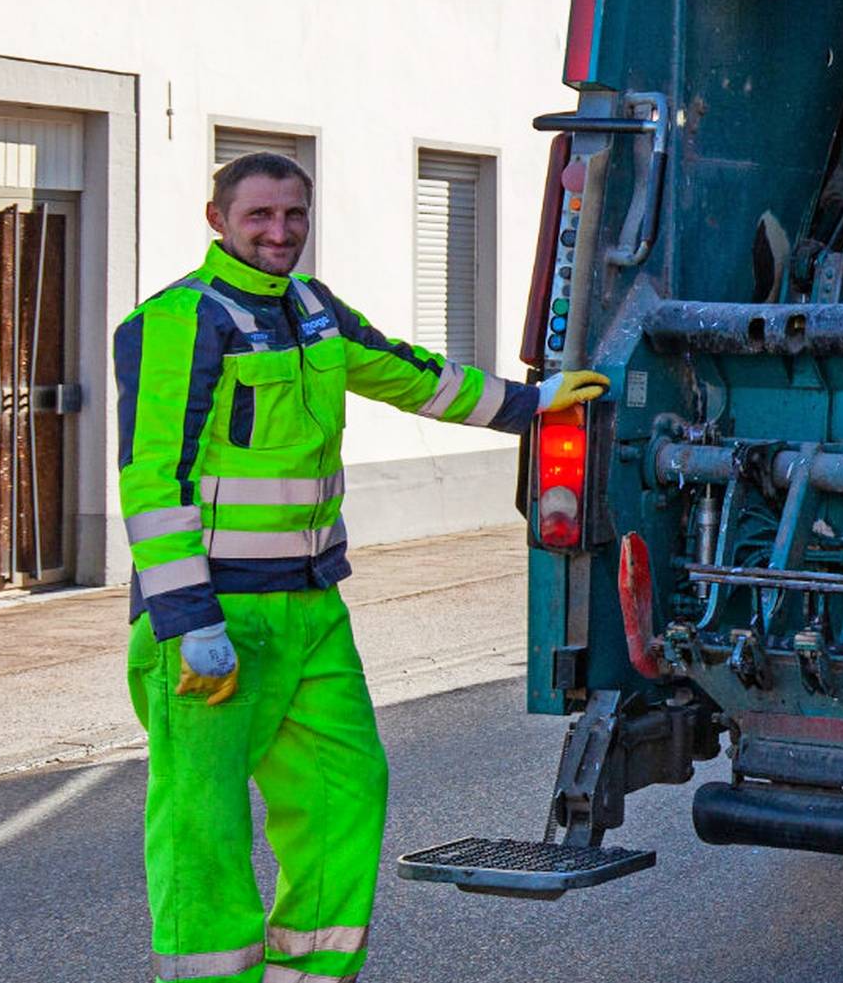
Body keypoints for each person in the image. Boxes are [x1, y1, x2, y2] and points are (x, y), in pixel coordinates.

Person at [115, 152, 606, 983]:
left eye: (293, 215)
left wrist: (531, 404)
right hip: (215, 617)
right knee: (204, 823)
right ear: (217, 220)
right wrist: (189, 620)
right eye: (259, 216)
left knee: (348, 789)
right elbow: (150, 479)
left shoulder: (313, 311)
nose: (279, 232)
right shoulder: (177, 320)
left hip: (311, 613)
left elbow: (412, 375)